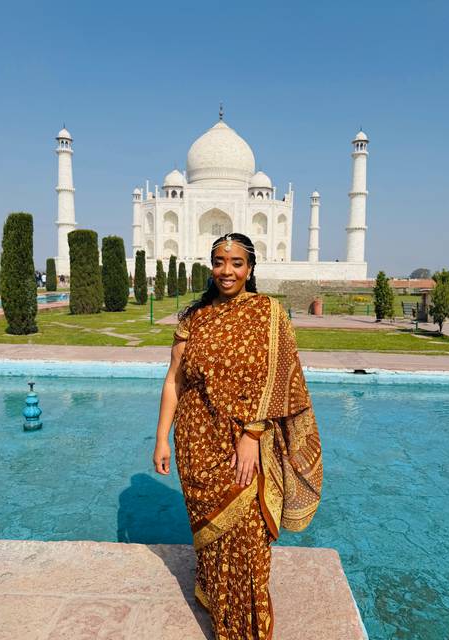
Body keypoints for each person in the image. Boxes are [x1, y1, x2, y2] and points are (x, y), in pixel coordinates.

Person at [153, 232, 323, 639]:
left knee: (248, 536)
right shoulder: (194, 318)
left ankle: (245, 628)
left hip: (244, 444)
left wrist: (252, 434)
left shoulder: (267, 313)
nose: (226, 271)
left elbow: (281, 376)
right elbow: (174, 381)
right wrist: (162, 438)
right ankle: (214, 596)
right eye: (218, 261)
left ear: (250, 268)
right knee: (211, 536)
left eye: (235, 263)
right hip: (196, 443)